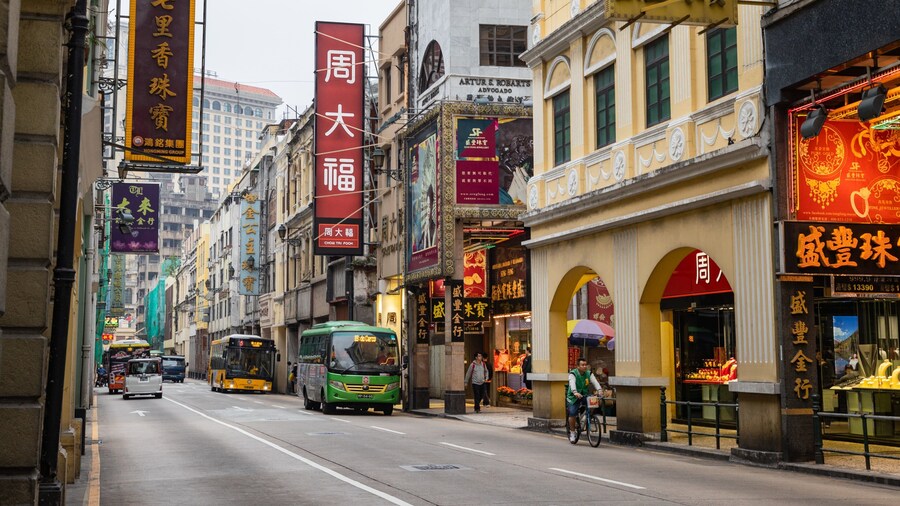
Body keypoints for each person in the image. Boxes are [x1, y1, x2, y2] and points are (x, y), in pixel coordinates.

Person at [566, 358, 601, 443]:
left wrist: (599, 390)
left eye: (585, 365)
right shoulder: (573, 374)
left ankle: (586, 417)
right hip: (573, 397)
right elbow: (572, 383)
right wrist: (575, 392)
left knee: (594, 402)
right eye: (582, 365)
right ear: (578, 366)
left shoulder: (589, 374)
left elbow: (595, 382)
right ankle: (572, 432)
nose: (585, 366)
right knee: (573, 413)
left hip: (584, 395)